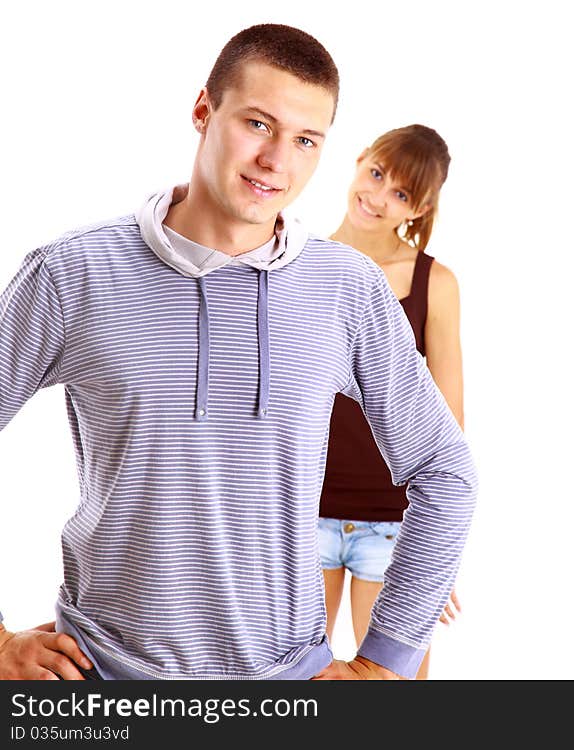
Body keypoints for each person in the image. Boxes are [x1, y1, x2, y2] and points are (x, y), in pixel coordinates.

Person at [0, 23, 476, 681]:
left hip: (285, 684)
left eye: (306, 140)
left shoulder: (345, 288)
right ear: (204, 111)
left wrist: (385, 662)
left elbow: (445, 471)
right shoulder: (73, 273)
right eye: (258, 123)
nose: (277, 160)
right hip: (102, 680)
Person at [318, 125, 463, 679]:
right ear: (358, 162)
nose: (378, 197)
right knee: (283, 688)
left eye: (400, 193)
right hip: (300, 509)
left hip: (394, 521)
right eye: (376, 174)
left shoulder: (435, 283)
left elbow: (449, 421)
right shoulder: (299, 262)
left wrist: (438, 549)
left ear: (421, 206)